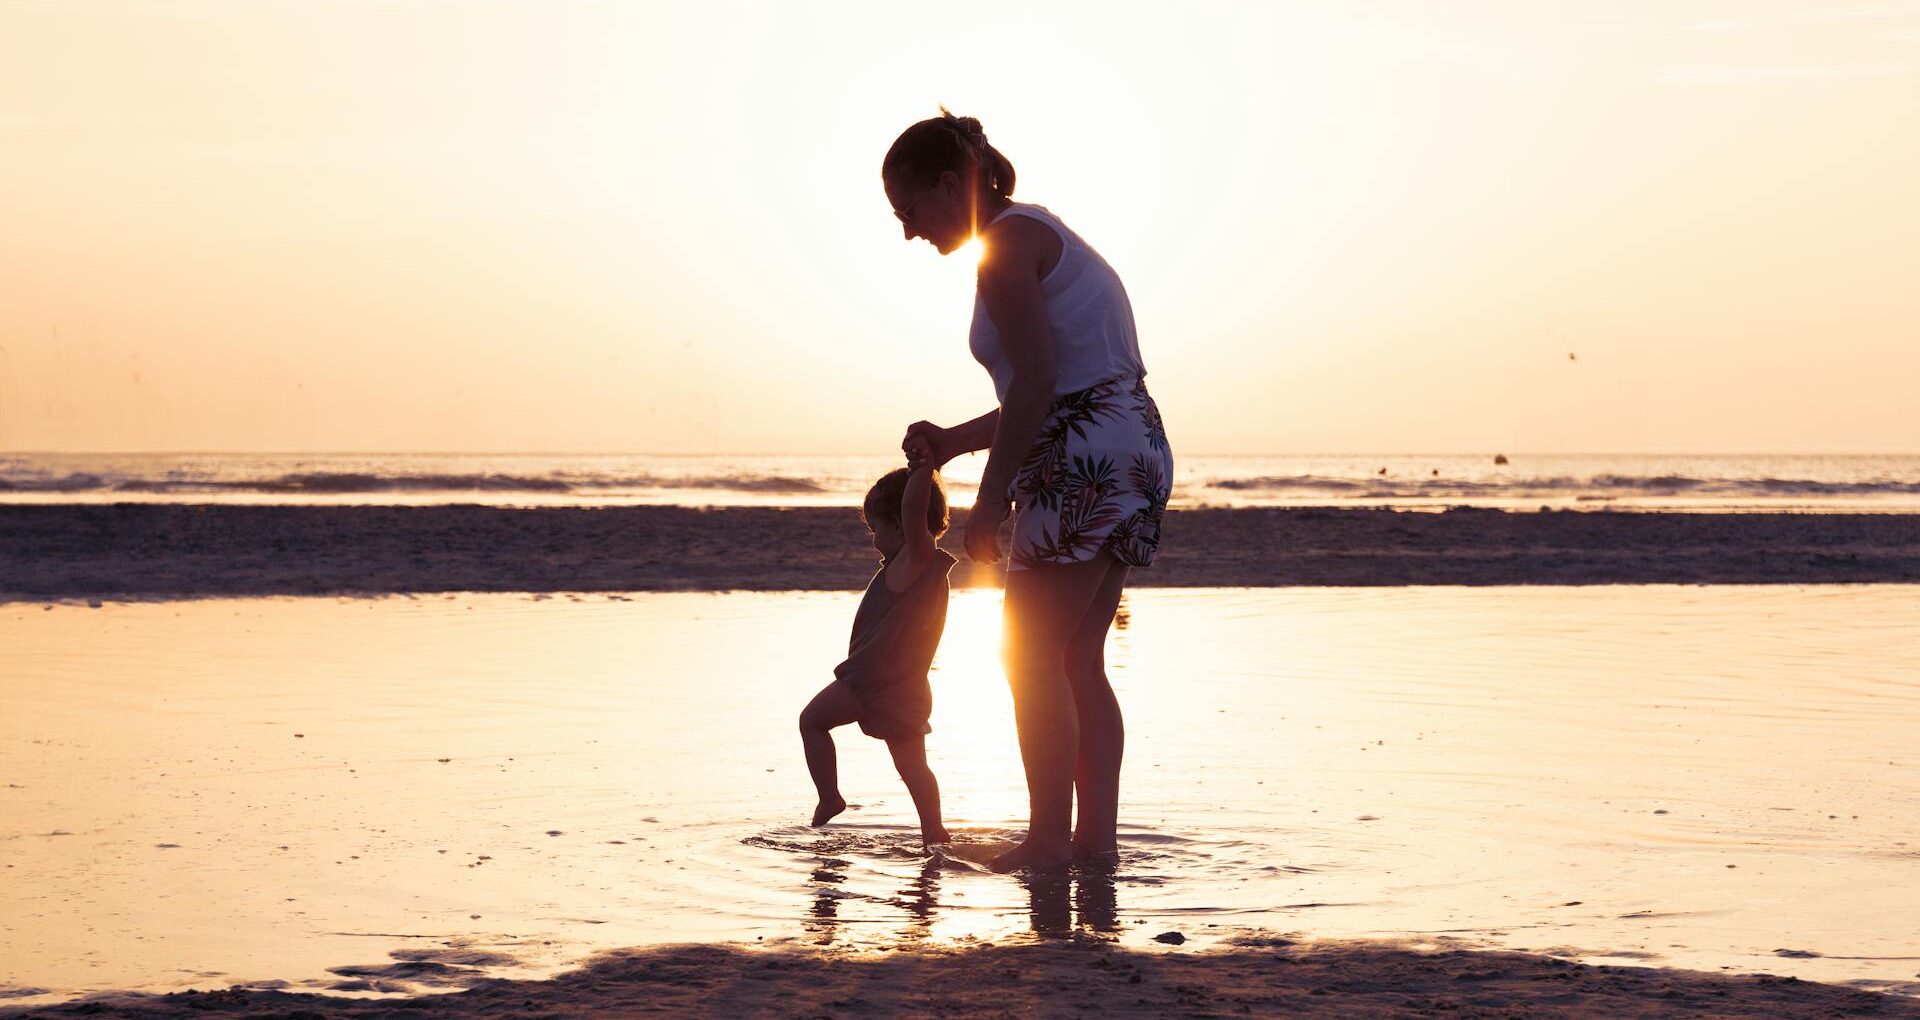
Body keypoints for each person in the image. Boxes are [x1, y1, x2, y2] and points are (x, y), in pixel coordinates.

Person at [885, 109, 1172, 872]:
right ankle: (1092, 844)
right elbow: (1053, 383)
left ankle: (1048, 843)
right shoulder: (1038, 233)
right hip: (1130, 443)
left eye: (910, 209)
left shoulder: (1006, 249)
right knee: (1078, 660)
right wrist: (953, 441)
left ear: (951, 184)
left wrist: (988, 500)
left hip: (1082, 456)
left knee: (1031, 657)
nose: (909, 231)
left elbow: (1042, 386)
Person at [798, 464, 956, 850]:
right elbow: (914, 513)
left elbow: (914, 510)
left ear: (903, 526)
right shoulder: (913, 567)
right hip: (905, 688)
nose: (874, 541)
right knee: (913, 767)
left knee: (811, 721)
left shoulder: (915, 561)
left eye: (877, 529)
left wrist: (922, 470)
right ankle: (934, 831)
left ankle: (830, 796)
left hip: (870, 681)